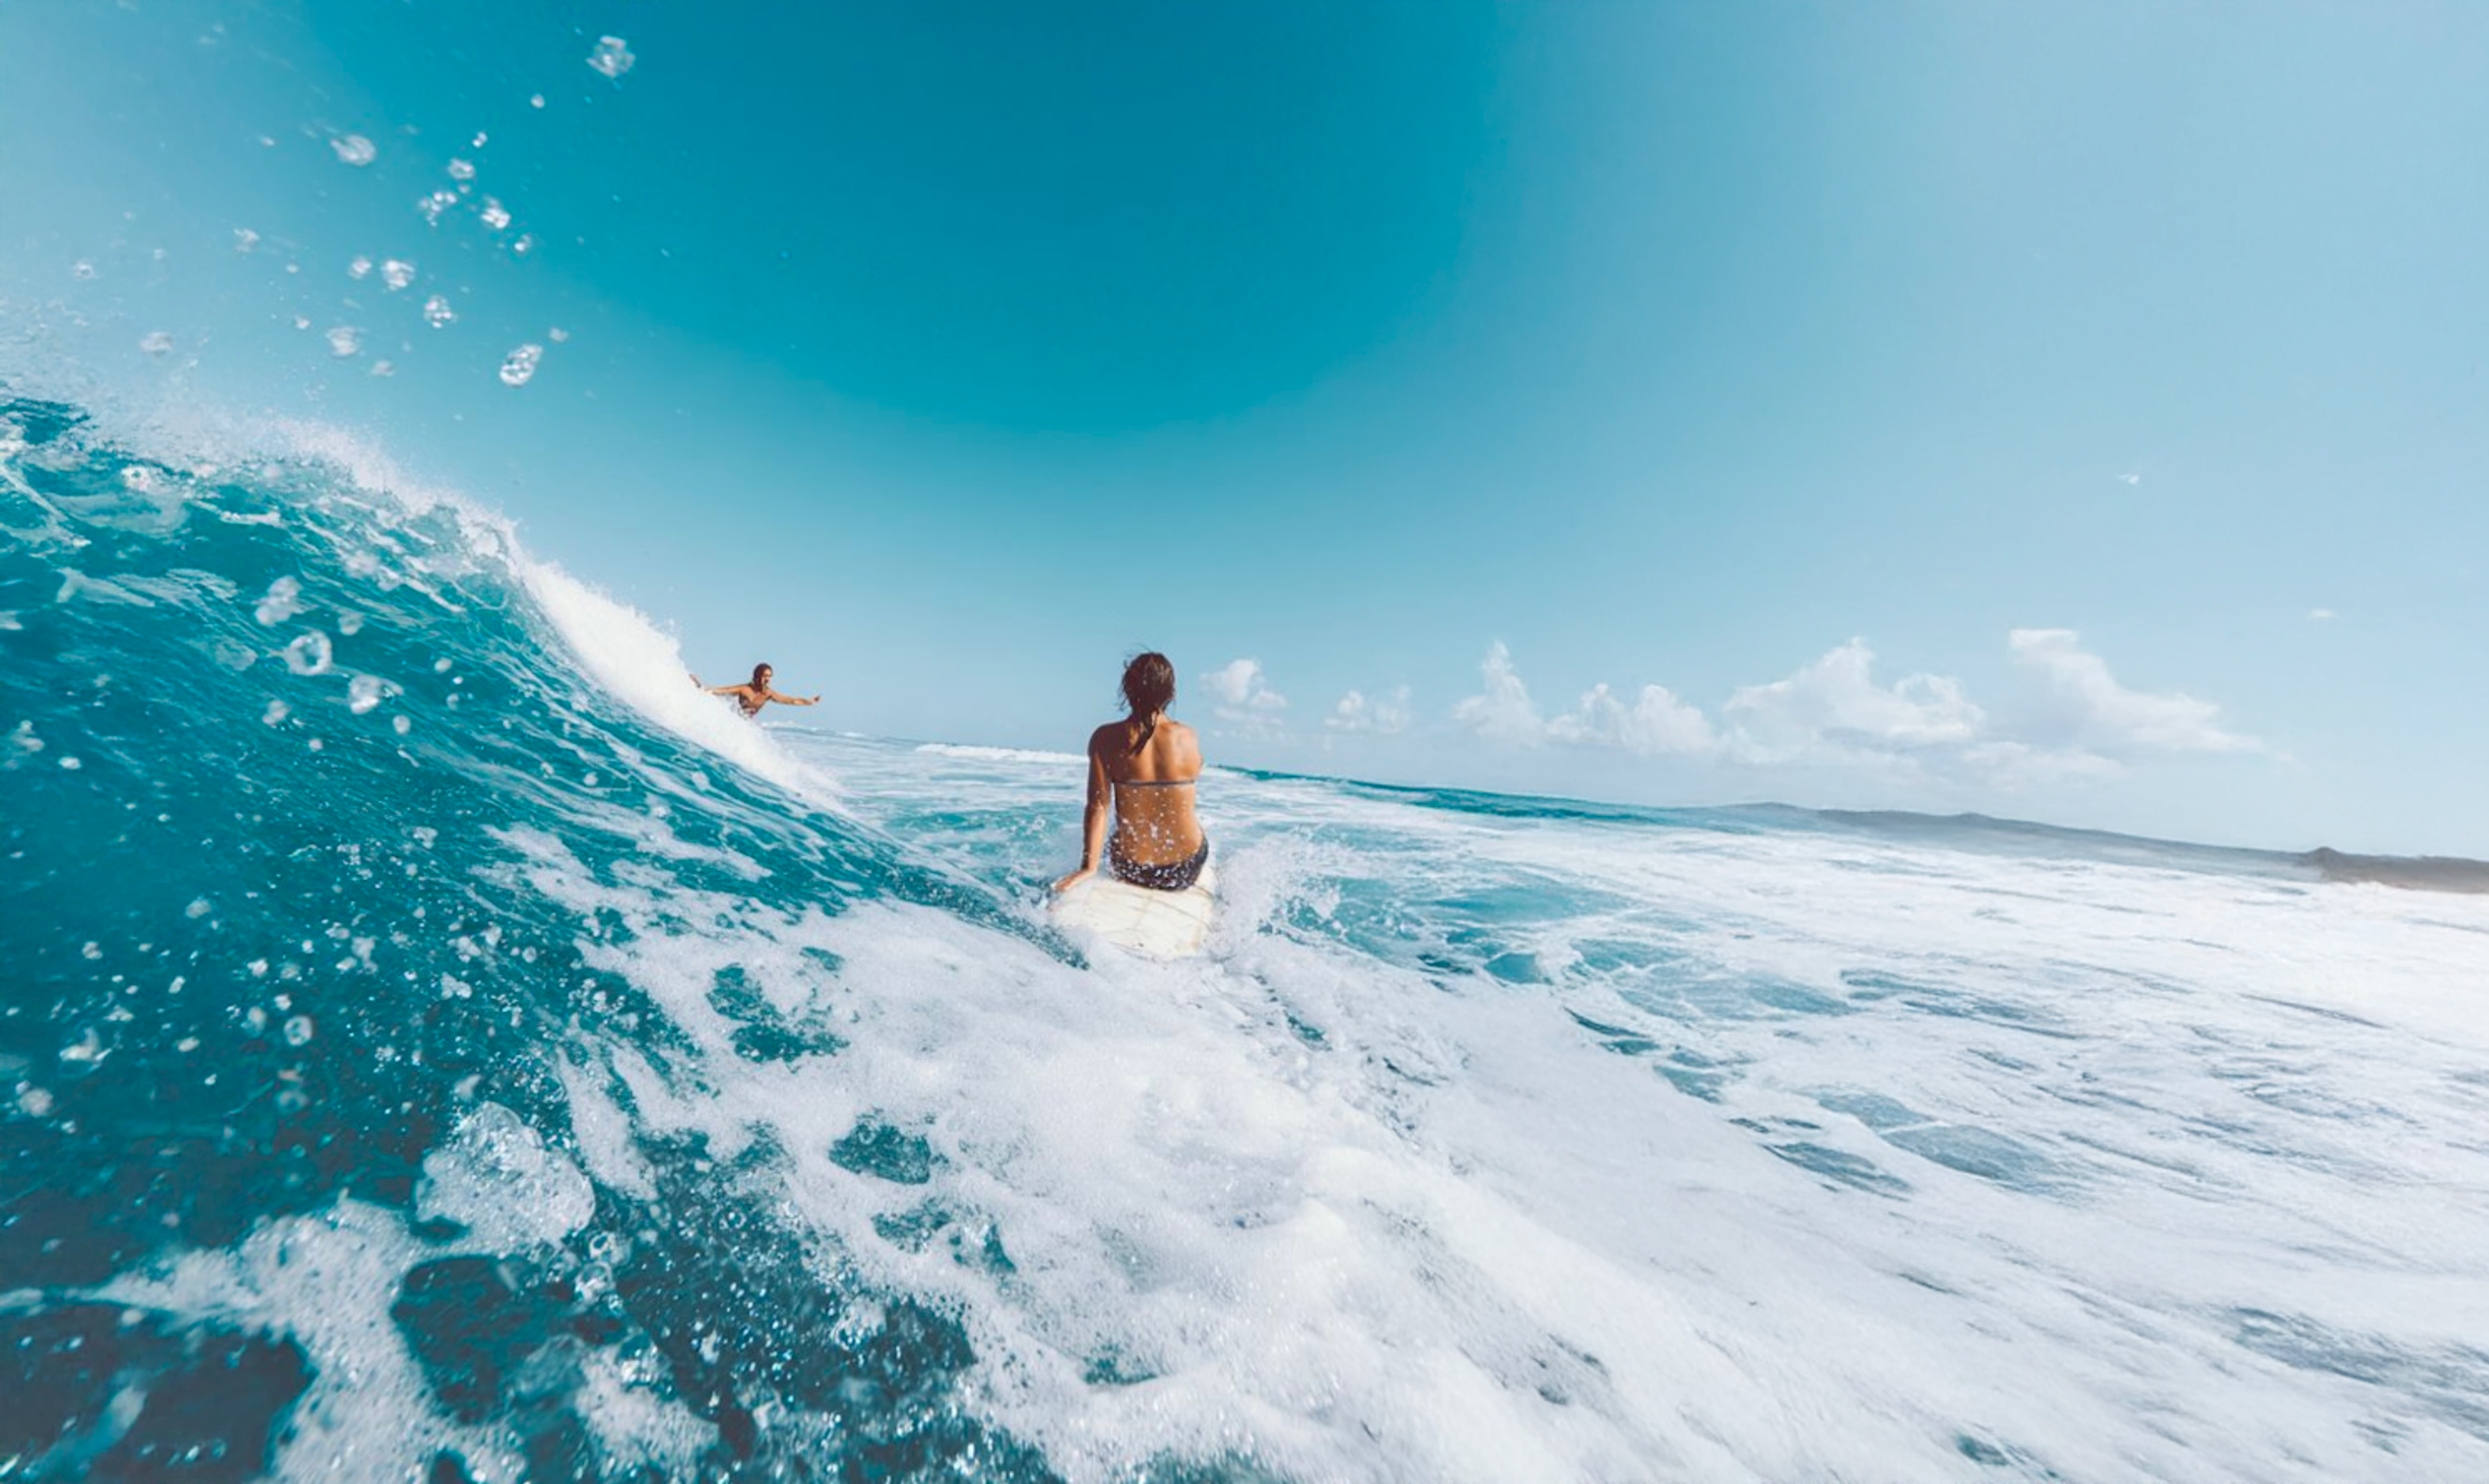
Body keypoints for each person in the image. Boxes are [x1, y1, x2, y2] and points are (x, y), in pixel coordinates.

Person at [1054, 651, 1208, 894]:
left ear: (1127, 689)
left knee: (1118, 834)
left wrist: (1088, 868)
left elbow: (1098, 806)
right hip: (1185, 868)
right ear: (1171, 693)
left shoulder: (1105, 739)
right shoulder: (1189, 736)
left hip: (1132, 867)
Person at [706, 663, 820, 719]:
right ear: (757, 676)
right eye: (765, 676)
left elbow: (790, 701)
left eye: (770, 676)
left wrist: (809, 702)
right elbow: (721, 691)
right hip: (733, 720)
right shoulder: (744, 689)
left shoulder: (768, 694)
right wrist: (703, 689)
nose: (768, 679)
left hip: (745, 726)